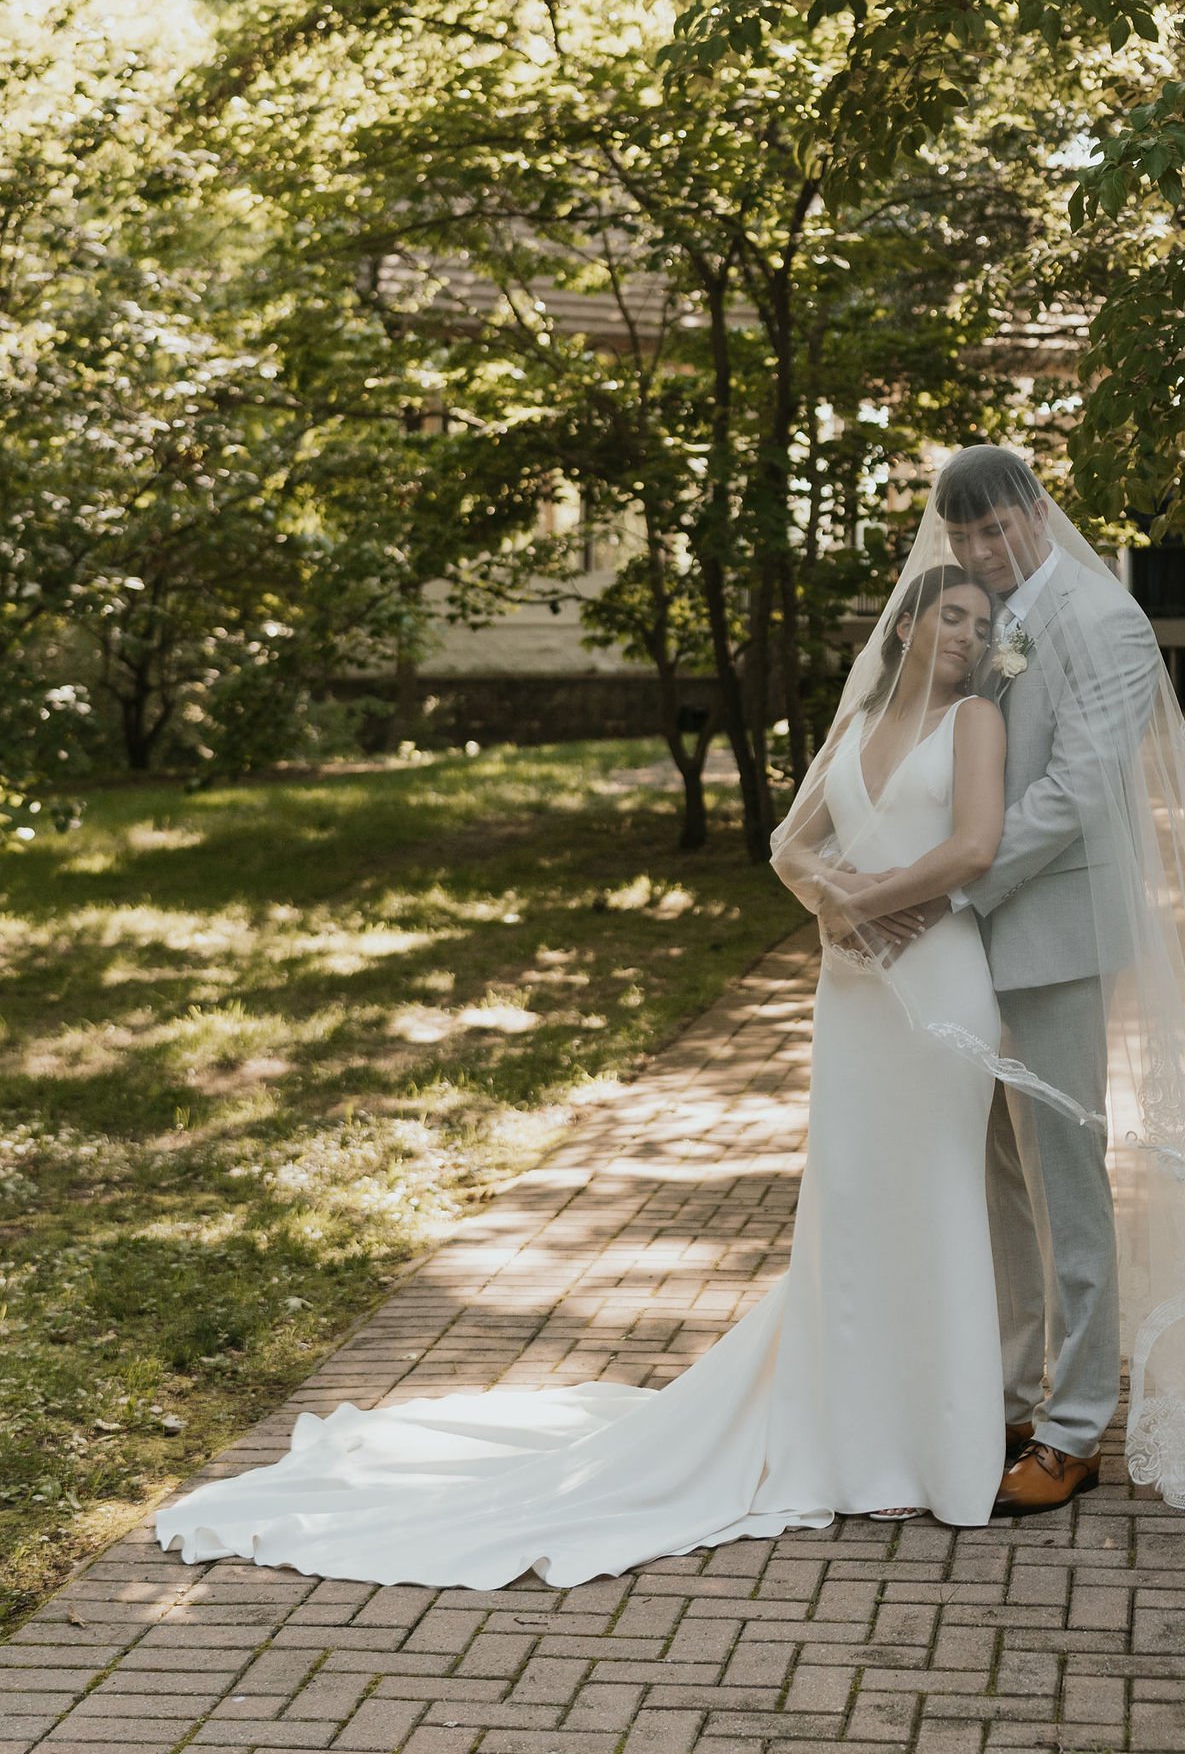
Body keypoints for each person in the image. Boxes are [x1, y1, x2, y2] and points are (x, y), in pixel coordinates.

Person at [155, 561, 1013, 1587]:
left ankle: (943, 1447)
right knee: (855, 1207)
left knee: (938, 1202)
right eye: (948, 614)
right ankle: (857, 1440)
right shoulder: (855, 721)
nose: (964, 633)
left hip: (936, 992)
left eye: (980, 621)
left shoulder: (972, 725)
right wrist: (834, 904)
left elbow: (971, 847)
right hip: (854, 995)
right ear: (907, 622)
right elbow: (788, 844)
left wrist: (868, 901)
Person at [933, 443, 1160, 1516]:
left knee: (1066, 1176)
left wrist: (956, 883)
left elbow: (1074, 789)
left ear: (1032, 509)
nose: (982, 551)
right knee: (998, 1178)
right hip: (977, 936)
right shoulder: (999, 616)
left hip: (1054, 930)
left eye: (993, 529)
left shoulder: (1106, 618)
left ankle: (1075, 1427)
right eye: (963, 538)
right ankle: (1014, 1392)